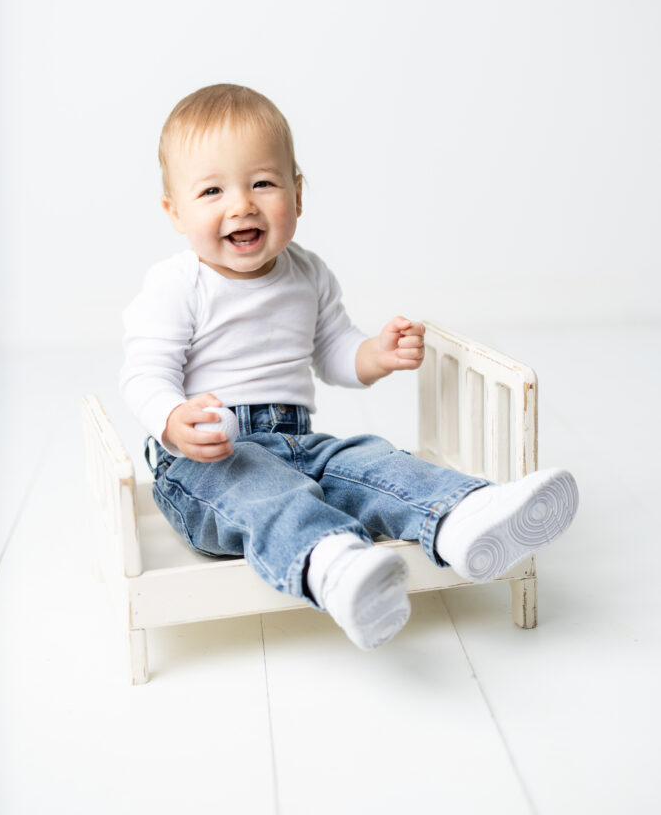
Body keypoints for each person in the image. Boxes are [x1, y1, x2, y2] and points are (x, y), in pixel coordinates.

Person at [120, 83, 578, 650]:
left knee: (367, 461)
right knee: (263, 491)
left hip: (296, 441)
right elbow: (144, 373)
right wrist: (173, 419)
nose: (241, 205)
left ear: (297, 194)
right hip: (208, 460)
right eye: (212, 190)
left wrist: (375, 354)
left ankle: (463, 516)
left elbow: (334, 350)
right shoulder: (176, 284)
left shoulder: (308, 273)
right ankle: (337, 565)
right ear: (175, 212)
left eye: (262, 183)